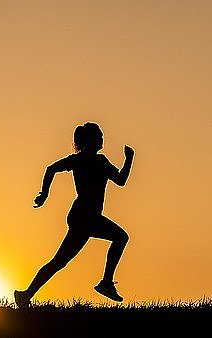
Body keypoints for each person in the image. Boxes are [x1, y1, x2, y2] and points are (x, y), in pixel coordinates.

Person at [14, 122, 134, 308]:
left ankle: (25, 295)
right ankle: (106, 283)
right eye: (99, 136)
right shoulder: (88, 161)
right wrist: (129, 159)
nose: (102, 138)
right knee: (121, 237)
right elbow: (51, 168)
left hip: (82, 216)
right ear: (89, 140)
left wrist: (44, 194)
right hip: (85, 216)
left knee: (59, 261)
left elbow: (120, 180)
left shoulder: (92, 161)